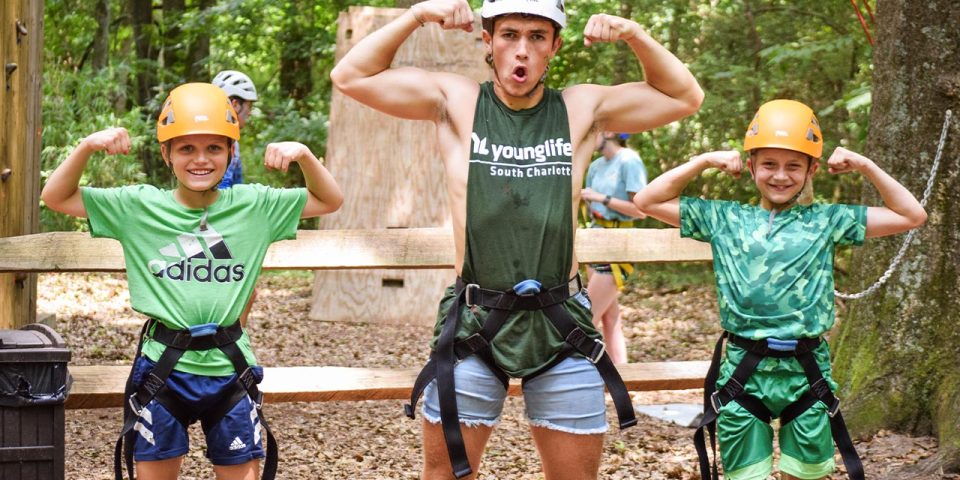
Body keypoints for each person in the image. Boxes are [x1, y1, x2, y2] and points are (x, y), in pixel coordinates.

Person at [330, 0, 703, 478]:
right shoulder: (457, 100)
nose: (521, 51)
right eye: (509, 35)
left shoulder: (580, 107)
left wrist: (634, 34)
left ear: (554, 46)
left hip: (560, 323)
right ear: (488, 40)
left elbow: (684, 97)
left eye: (536, 37)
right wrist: (419, 14)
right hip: (476, 321)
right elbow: (352, 77)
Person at [40, 82, 343, 480]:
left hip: (229, 368)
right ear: (166, 154)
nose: (201, 160)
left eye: (214, 148)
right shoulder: (138, 207)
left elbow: (329, 199)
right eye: (186, 149)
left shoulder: (255, 206)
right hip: (163, 369)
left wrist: (303, 155)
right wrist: (86, 147)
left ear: (231, 152)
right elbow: (57, 197)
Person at [633, 99, 926, 480]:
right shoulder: (726, 218)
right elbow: (646, 201)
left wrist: (866, 165)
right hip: (743, 369)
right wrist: (705, 160)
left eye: (794, 166)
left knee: (806, 474)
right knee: (745, 475)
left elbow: (911, 215)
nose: (780, 176)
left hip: (806, 372)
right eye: (769, 164)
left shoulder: (827, 220)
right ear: (751, 165)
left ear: (811, 170)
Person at [581, 131, 647, 364]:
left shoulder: (629, 160)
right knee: (610, 317)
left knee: (586, 319)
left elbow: (640, 210)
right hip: (594, 240)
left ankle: (582, 380)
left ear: (609, 132)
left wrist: (602, 198)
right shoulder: (596, 165)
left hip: (619, 243)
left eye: (593, 131)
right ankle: (621, 380)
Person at [212, 70, 260, 327]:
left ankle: (233, 344)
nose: (249, 112)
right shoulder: (222, 140)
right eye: (247, 106)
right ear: (234, 104)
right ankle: (234, 346)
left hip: (227, 226)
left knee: (246, 292)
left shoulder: (232, 139)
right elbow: (221, 189)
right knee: (244, 291)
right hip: (216, 227)